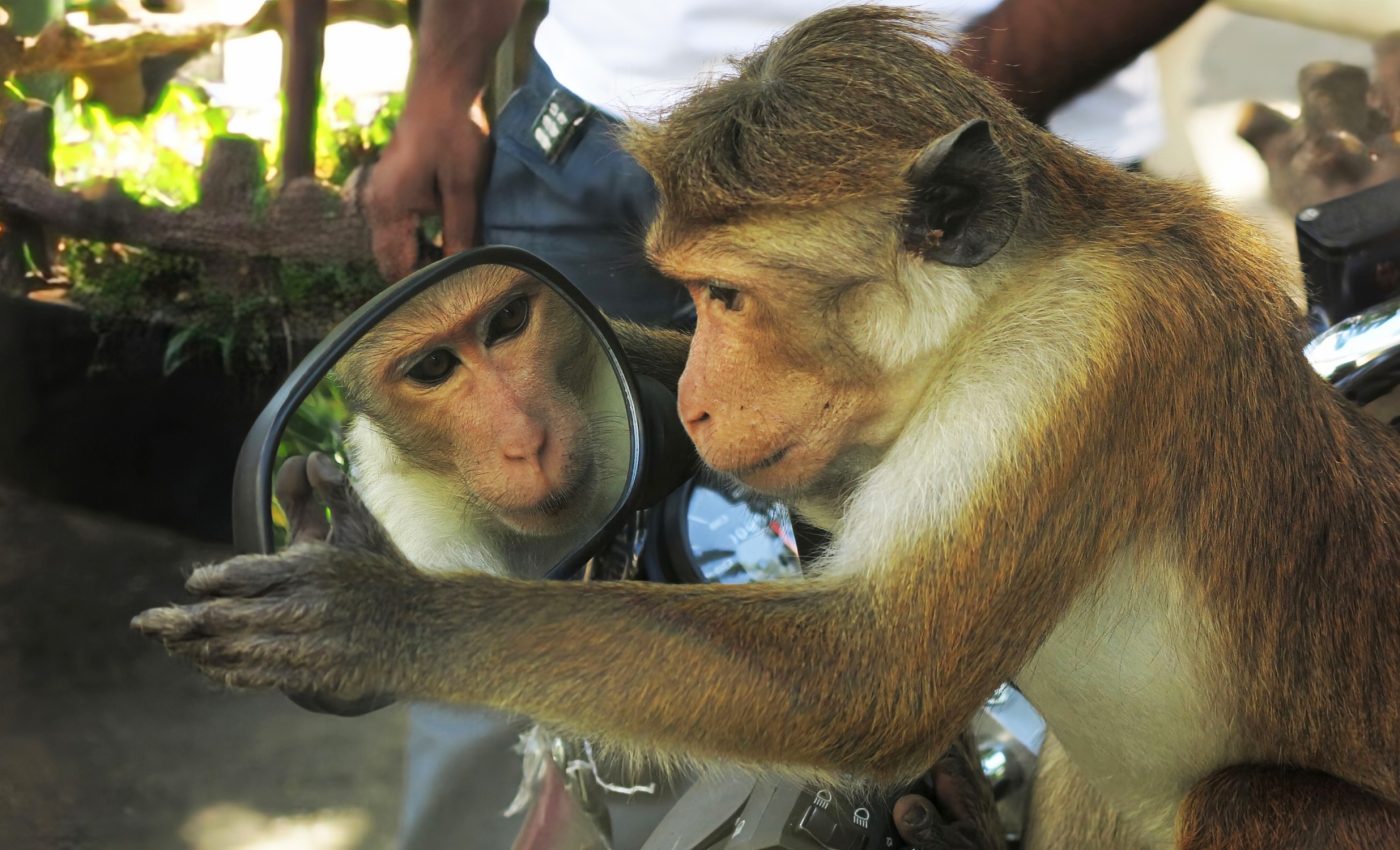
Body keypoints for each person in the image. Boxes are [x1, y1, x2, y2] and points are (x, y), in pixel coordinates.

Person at [361, 1, 1208, 847]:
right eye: (697, 302)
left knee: (1016, 702)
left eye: (720, 303)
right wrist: (442, 84)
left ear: (944, 223)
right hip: (601, 122)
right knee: (527, 534)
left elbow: (873, 686)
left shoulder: (1069, 329)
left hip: (922, 143)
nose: (692, 402)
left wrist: (426, 626)